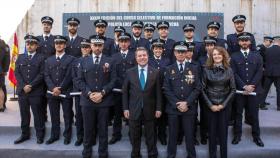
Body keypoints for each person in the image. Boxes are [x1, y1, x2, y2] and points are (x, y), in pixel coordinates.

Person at [76, 35, 116, 158]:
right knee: (88, 128)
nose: (97, 48)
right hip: (87, 101)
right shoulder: (82, 61)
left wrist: (102, 93)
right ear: (91, 46)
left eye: (100, 45)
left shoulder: (110, 61)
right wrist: (89, 94)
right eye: (95, 45)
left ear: (103, 46)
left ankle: (103, 152)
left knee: (103, 129)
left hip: (104, 101)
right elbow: (79, 81)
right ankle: (87, 151)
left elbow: (113, 80)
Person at [163, 41, 201, 158]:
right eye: (178, 51)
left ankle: (191, 155)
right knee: (173, 135)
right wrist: (177, 103)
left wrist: (187, 103)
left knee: (189, 135)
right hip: (173, 109)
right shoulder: (169, 69)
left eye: (183, 51)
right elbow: (166, 89)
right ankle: (171, 155)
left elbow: (198, 88)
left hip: (189, 109)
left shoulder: (194, 68)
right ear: (174, 53)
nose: (180, 54)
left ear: (187, 53)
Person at [123, 47, 162, 158]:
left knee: (151, 134)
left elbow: (159, 93)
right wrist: (125, 108)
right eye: (139, 56)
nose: (142, 58)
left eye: (144, 55)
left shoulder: (155, 72)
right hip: (133, 109)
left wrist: (159, 108)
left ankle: (152, 153)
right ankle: (135, 154)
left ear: (148, 57)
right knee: (135, 135)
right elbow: (125, 92)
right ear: (136, 58)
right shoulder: (129, 72)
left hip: (150, 109)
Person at [231, 32, 264, 147]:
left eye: (246, 40)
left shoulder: (257, 55)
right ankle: (237, 135)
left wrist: (251, 86)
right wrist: (244, 86)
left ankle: (257, 136)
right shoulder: (234, 56)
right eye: (242, 40)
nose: (244, 42)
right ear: (239, 42)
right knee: (238, 114)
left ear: (250, 42)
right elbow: (233, 73)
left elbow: (259, 72)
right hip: (240, 92)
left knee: (254, 115)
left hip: (253, 91)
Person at [201, 46, 236, 158]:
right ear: (211, 56)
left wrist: (222, 105)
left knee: (223, 133)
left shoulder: (229, 70)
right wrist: (211, 105)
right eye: (214, 54)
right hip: (210, 107)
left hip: (224, 107)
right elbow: (202, 89)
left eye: (219, 54)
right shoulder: (206, 70)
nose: (216, 56)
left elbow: (233, 89)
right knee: (211, 133)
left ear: (223, 56)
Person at [14, 35, 46, 144]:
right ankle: (24, 134)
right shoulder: (20, 57)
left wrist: (31, 85)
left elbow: (42, 74)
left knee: (38, 114)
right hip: (23, 91)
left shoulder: (41, 58)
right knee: (24, 114)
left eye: (32, 44)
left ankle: (40, 135)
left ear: (36, 45)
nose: (29, 46)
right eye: (28, 44)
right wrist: (24, 86)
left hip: (36, 91)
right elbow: (17, 73)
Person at [44, 35, 75, 145]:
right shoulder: (48, 60)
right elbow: (46, 76)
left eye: (61, 43)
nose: (59, 45)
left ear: (65, 45)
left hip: (65, 92)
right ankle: (54, 135)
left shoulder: (71, 59)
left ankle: (67, 136)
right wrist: (53, 88)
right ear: (54, 45)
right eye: (57, 43)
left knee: (67, 115)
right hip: (52, 93)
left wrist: (60, 88)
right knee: (54, 115)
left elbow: (69, 76)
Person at [148, 38, 171, 145]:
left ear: (163, 49)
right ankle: (152, 136)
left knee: (162, 116)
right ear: (152, 49)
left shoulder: (167, 61)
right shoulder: (148, 60)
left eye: (160, 48)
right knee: (152, 115)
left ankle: (162, 135)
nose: (158, 50)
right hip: (151, 93)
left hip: (163, 92)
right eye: (156, 48)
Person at [72, 38, 92, 146]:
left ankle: (91, 137)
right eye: (83, 47)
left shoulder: (94, 60)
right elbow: (74, 78)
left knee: (91, 117)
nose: (84, 49)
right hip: (79, 93)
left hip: (91, 94)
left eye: (87, 47)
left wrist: (89, 91)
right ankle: (80, 137)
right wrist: (83, 89)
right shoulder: (76, 61)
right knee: (79, 115)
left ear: (90, 48)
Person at [198, 36, 217, 145]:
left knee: (214, 115)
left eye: (211, 45)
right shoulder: (201, 59)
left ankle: (213, 134)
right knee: (204, 115)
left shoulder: (218, 57)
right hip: (204, 92)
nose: (209, 47)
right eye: (207, 45)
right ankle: (203, 135)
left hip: (217, 91)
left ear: (214, 46)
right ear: (205, 47)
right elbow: (200, 75)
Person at [37, 16, 55, 122]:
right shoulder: (37, 39)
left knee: (51, 95)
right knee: (40, 96)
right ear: (42, 25)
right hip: (38, 72)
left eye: (48, 24)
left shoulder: (55, 39)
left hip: (52, 72)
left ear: (51, 26)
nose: (46, 26)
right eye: (44, 24)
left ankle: (54, 117)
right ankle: (43, 115)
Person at [260, 36, 280, 111]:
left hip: (268, 72)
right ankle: (279, 107)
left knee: (265, 89)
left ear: (274, 42)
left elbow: (264, 61)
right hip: (278, 73)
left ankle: (261, 104)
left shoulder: (267, 50)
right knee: (279, 90)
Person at [257, 36, 274, 110]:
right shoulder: (260, 47)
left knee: (264, 87)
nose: (270, 44)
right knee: (262, 87)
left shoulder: (267, 49)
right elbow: (258, 59)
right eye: (270, 42)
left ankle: (262, 101)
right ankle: (260, 103)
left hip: (265, 70)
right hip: (261, 71)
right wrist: (262, 67)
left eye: (271, 42)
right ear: (266, 41)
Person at [0, 38, 10, 112]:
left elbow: (7, 58)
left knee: (1, 88)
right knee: (1, 88)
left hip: (1, 70)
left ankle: (1, 105)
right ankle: (2, 106)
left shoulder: (3, 45)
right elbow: (7, 59)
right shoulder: (5, 46)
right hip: (1, 70)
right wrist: (5, 70)